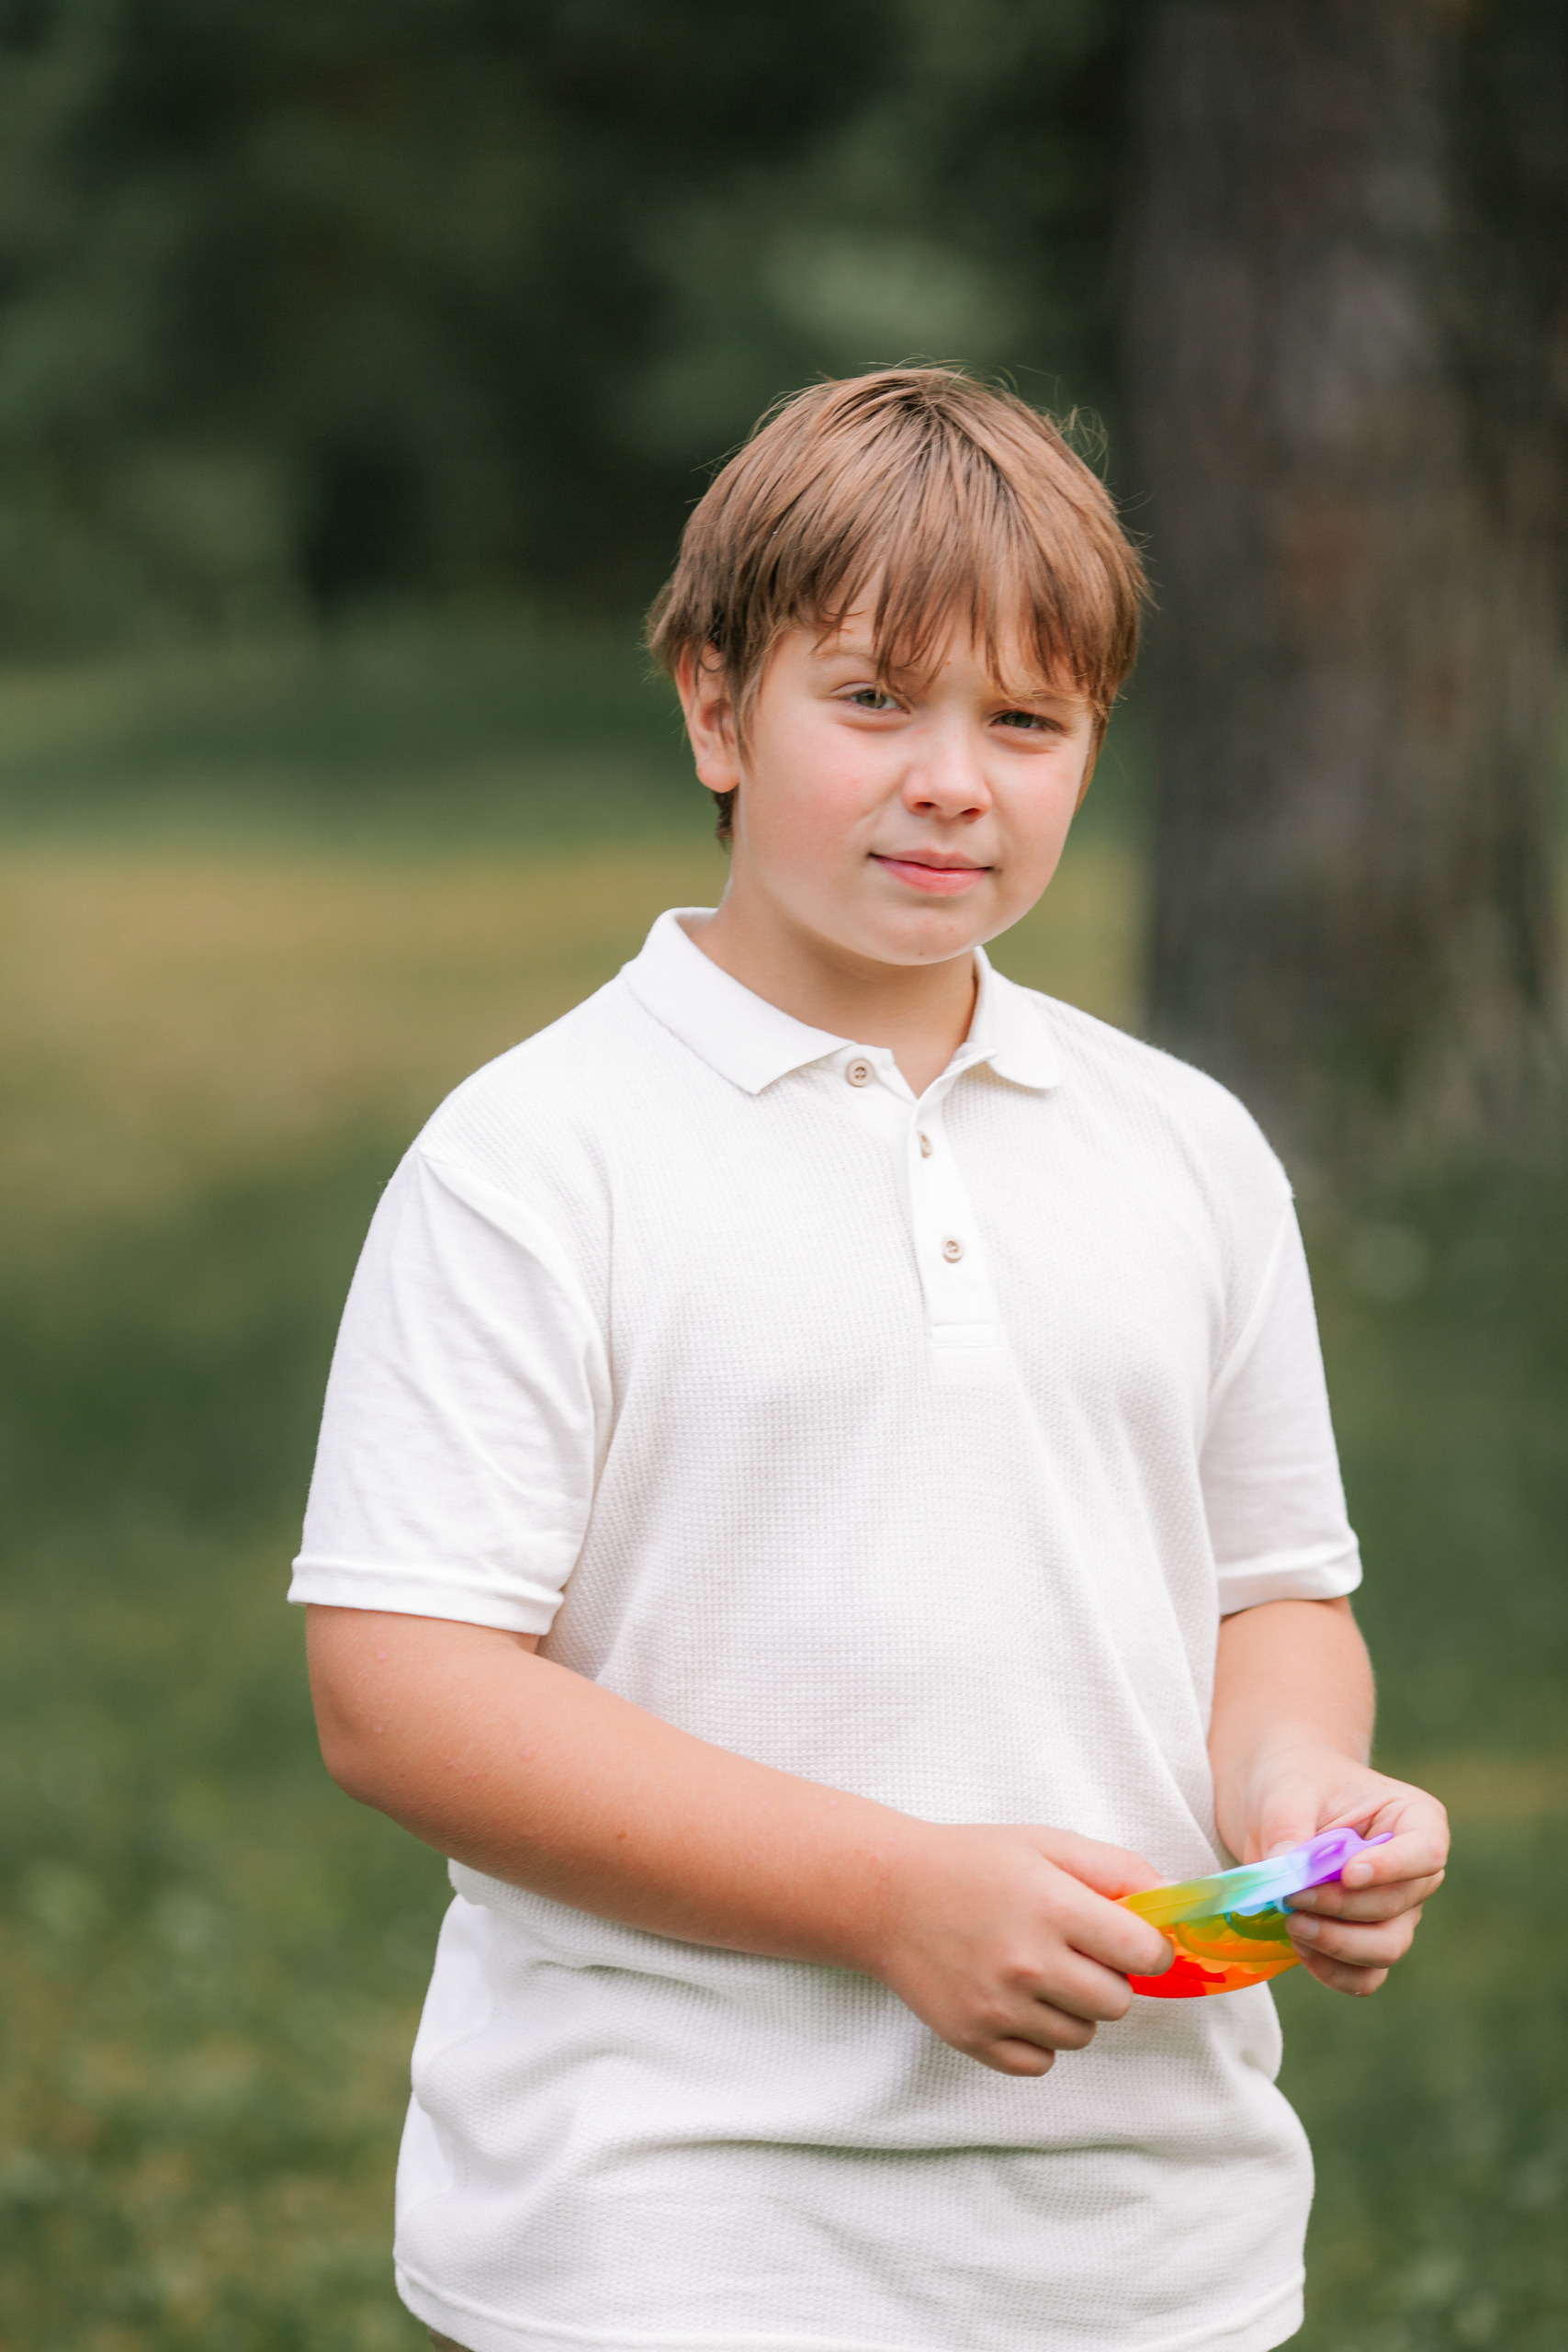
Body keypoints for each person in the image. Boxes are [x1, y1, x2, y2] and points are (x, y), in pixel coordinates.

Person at [292, 367, 1448, 2352]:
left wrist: (1293, 1778)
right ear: (713, 706)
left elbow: (1272, 1586)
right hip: (668, 2223)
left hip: (1144, 2230)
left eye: (1024, 719)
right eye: (872, 700)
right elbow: (400, 1691)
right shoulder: (537, 1154)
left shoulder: (1180, 1144)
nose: (951, 779)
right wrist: (883, 1889)